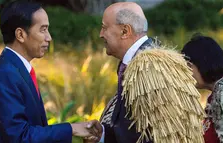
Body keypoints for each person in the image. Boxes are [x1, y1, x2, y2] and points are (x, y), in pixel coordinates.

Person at [85, 2, 205, 143]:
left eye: (104, 28)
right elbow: (136, 131)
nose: (101, 34)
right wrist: (103, 135)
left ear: (125, 31)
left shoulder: (149, 67)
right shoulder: (138, 63)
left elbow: (160, 136)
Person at [0, 1, 102, 143]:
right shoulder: (6, 73)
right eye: (43, 29)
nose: (49, 37)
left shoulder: (17, 68)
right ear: (20, 34)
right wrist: (71, 129)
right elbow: (19, 137)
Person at [182, 34, 223, 143]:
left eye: (189, 66)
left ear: (203, 63)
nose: (187, 73)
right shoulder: (215, 96)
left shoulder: (221, 96)